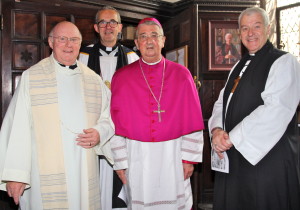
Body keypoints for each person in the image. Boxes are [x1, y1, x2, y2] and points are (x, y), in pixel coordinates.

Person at [0, 21, 114, 210]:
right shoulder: (32, 77)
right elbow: (17, 127)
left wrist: (100, 132)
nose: (69, 45)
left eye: (74, 40)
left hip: (83, 168)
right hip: (43, 172)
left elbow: (109, 116)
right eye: (62, 39)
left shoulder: (93, 79)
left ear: (80, 44)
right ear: (51, 42)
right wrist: (16, 175)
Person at [209, 7, 300, 210]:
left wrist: (231, 138)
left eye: (256, 26)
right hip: (234, 155)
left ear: (268, 29)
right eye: (245, 28)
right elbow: (221, 103)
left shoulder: (284, 61)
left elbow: (276, 109)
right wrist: (216, 131)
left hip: (268, 160)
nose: (250, 33)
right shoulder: (238, 66)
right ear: (239, 33)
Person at [110, 17, 205, 210]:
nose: (149, 40)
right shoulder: (121, 77)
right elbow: (115, 124)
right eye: (143, 36)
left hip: (173, 153)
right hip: (136, 154)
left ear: (163, 40)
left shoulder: (182, 74)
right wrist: (120, 162)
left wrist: (188, 159)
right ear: (136, 44)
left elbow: (192, 120)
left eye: (154, 35)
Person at [79, 5, 139, 210]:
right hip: (92, 127)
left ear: (120, 27)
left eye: (112, 22)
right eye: (103, 23)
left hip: (121, 129)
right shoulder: (82, 56)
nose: (108, 27)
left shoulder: (132, 57)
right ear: (96, 28)